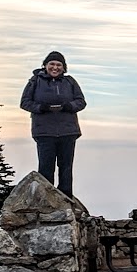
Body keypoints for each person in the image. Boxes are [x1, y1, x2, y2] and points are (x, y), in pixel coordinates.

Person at [19, 50, 86, 196]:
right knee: (45, 169)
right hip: (44, 132)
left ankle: (66, 199)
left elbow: (81, 102)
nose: (55, 68)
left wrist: (70, 106)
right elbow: (25, 102)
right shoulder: (35, 81)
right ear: (45, 65)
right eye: (52, 64)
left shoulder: (70, 82)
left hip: (68, 131)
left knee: (66, 168)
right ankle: (46, 202)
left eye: (58, 65)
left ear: (63, 67)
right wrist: (40, 108)